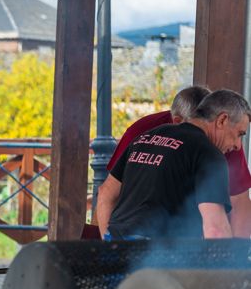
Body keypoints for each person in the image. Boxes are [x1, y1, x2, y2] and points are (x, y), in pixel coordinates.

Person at [98, 85, 251, 237]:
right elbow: (216, 230)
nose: (238, 145)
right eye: (240, 134)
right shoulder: (209, 153)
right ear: (222, 120)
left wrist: (109, 246)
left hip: (117, 246)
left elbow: (105, 192)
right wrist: (232, 260)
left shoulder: (147, 136)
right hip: (158, 255)